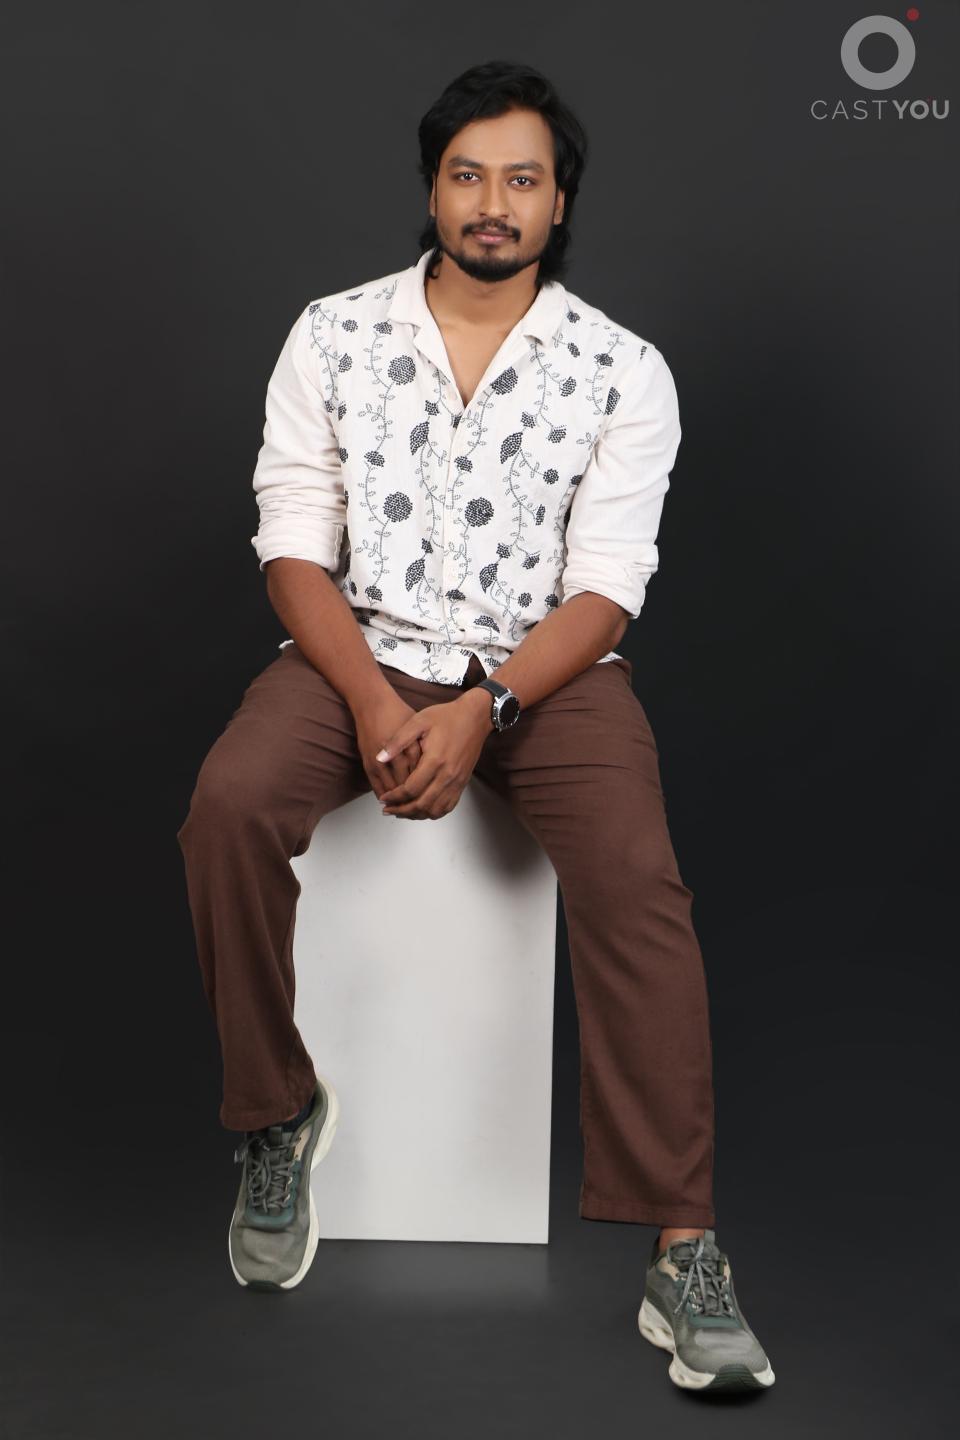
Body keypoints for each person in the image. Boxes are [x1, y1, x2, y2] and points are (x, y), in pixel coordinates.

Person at [176, 59, 774, 1392]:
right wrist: (375, 700)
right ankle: (276, 1112)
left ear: (560, 204)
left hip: (547, 677)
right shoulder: (332, 334)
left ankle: (683, 1251)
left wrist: (489, 707)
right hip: (359, 652)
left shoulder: (622, 370)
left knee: (638, 881)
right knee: (228, 805)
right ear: (432, 188)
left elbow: (609, 584)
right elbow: (292, 546)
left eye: (522, 179)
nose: (492, 202)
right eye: (467, 174)